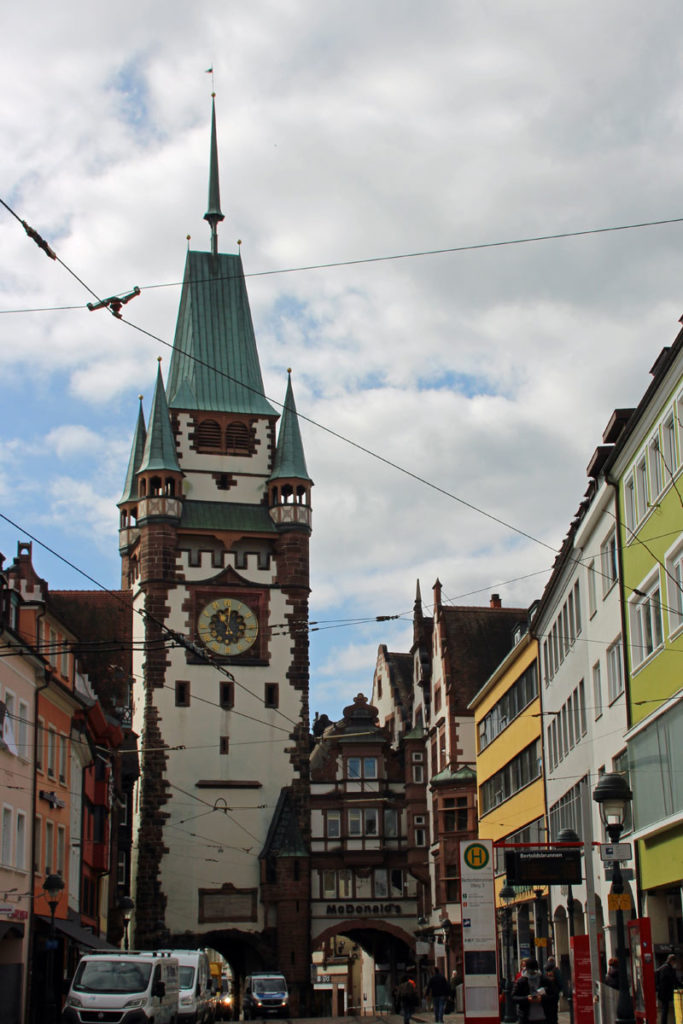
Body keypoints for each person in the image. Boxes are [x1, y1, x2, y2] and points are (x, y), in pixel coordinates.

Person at [512, 957, 546, 1023]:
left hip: (542, 1017)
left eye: (534, 971)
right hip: (525, 1017)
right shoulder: (521, 981)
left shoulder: (544, 980)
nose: (532, 973)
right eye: (530, 971)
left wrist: (542, 998)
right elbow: (514, 997)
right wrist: (527, 998)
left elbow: (554, 995)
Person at [656, 954, 680, 1024]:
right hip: (665, 992)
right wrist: (680, 985)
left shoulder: (663, 967)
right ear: (671, 961)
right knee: (665, 1009)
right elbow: (672, 979)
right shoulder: (667, 968)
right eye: (674, 962)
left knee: (665, 1008)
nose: (675, 964)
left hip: (663, 991)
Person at [542, 957, 563, 1024]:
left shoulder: (545, 973)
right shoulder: (556, 971)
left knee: (549, 1013)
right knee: (553, 1013)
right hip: (553, 995)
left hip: (549, 996)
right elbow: (560, 983)